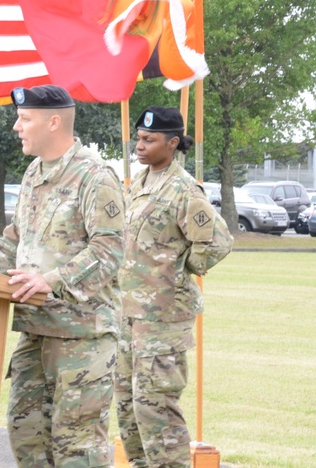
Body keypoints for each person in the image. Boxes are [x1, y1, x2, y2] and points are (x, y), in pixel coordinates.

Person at [0, 84, 125, 468]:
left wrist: (51, 281)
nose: (16, 127)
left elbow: (109, 250)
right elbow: (14, 242)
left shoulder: (94, 175)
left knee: (77, 451)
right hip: (35, 330)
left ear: (53, 122)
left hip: (82, 337)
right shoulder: (33, 173)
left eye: (24, 119)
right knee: (27, 440)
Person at [115, 107, 233, 468]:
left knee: (156, 409)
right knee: (126, 404)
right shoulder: (141, 183)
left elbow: (218, 242)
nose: (140, 145)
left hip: (163, 318)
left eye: (149, 140)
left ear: (173, 142)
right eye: (138, 138)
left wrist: (182, 269)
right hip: (128, 315)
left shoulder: (184, 189)